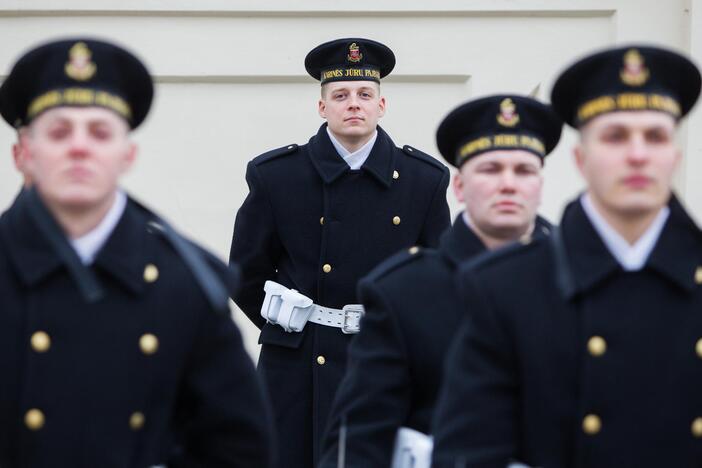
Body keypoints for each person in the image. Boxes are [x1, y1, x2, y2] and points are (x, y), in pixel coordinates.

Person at [0, 37, 274, 468]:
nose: (79, 146)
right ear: (25, 154)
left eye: (100, 132)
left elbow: (239, 450)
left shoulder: (184, 282)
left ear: (126, 154)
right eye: (58, 131)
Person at [431, 44, 702, 468]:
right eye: (615, 136)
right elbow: (469, 453)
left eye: (655, 136)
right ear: (581, 158)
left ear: (675, 155)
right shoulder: (505, 288)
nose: (637, 154)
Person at [229, 37, 450, 468]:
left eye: (365, 95)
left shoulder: (423, 180)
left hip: (388, 359)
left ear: (382, 105)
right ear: (322, 106)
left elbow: (438, 280)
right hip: (296, 366)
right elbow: (244, 269)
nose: (354, 104)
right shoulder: (277, 176)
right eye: (341, 95)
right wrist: (288, 321)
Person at [318, 94, 562, 468]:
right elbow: (360, 440)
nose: (508, 184)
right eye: (491, 169)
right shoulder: (404, 292)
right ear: (460, 187)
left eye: (524, 171)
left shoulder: (580, 283)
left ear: (540, 186)